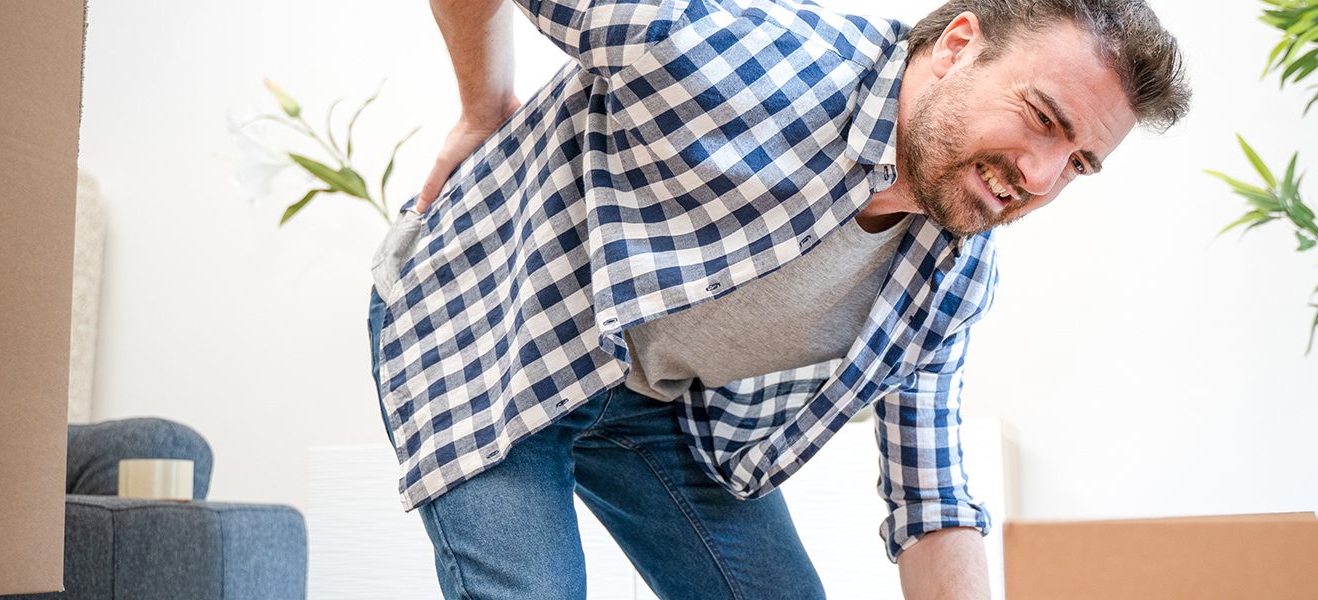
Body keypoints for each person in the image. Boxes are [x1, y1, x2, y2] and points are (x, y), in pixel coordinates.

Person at [367, 0, 1188, 596]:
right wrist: (484, 105)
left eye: (1077, 163)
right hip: (489, 323)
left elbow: (930, 494)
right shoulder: (725, 52)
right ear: (958, 45)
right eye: (1041, 118)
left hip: (648, 397)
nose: (1039, 179)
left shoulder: (952, 268)